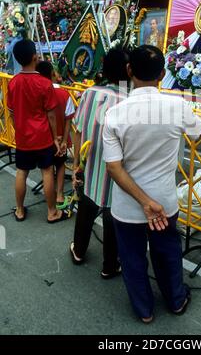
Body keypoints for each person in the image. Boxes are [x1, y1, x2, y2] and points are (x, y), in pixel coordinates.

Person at [102, 45, 201, 323]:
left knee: (133, 260)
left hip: (128, 206)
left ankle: (144, 310)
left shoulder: (115, 114)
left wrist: (143, 203)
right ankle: (176, 300)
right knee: (167, 254)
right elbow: (199, 132)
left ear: (129, 70)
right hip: (165, 202)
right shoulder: (178, 106)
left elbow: (113, 167)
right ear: (162, 74)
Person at [70, 48, 130, 278]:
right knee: (113, 216)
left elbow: (77, 129)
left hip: (91, 165)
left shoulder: (90, 93)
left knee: (86, 206)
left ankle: (79, 251)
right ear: (129, 70)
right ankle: (110, 265)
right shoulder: (130, 101)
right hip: (118, 172)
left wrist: (77, 162)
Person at [7, 40, 69, 223]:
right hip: (42, 137)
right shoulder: (44, 83)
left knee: (21, 172)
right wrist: (56, 139)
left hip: (23, 138)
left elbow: (11, 113)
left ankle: (19, 210)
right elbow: (50, 116)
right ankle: (52, 212)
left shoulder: (13, 83)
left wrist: (18, 128)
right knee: (47, 172)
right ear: (35, 56)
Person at [36, 61, 75, 208]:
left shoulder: (38, 93)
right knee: (60, 165)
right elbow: (68, 120)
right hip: (61, 137)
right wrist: (64, 140)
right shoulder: (64, 94)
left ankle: (50, 196)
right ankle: (59, 194)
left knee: (46, 169)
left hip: (44, 139)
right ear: (53, 74)